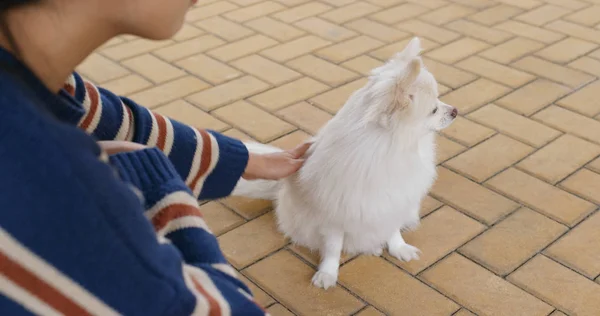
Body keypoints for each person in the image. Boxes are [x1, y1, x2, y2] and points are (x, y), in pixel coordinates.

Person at [0, 0, 310, 314]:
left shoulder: (32, 80)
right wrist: (159, 186)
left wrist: (241, 160)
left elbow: (101, 118)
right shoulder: (48, 184)